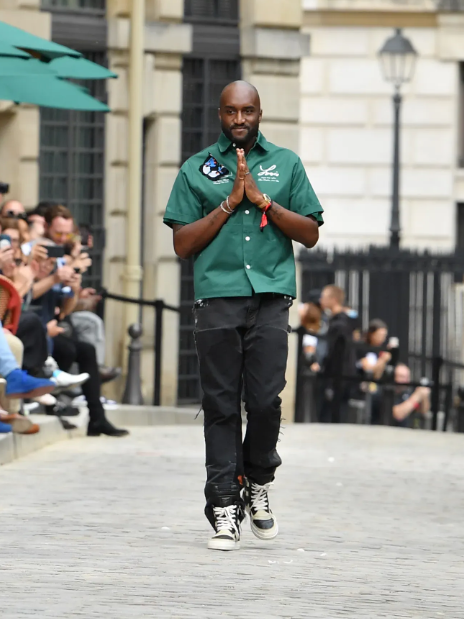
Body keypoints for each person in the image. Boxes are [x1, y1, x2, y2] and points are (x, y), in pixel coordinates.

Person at [164, 80, 323, 551]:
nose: (239, 119)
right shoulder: (196, 169)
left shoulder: (286, 163)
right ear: (220, 114)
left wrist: (263, 201)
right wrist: (230, 203)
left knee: (266, 400)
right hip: (217, 297)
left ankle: (258, 480)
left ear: (259, 113)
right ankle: (223, 505)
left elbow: (310, 233)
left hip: (271, 296)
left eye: (247, 111)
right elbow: (182, 244)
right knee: (220, 404)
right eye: (231, 111)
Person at [319, 285, 357, 422]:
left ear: (333, 299)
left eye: (323, 297)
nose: (321, 300)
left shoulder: (339, 324)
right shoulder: (338, 321)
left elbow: (337, 353)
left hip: (338, 376)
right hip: (340, 375)